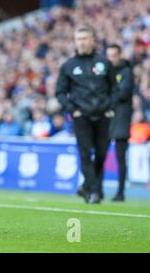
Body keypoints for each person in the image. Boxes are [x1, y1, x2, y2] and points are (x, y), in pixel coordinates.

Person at [55, 25, 116, 204]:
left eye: (84, 39)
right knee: (84, 154)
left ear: (92, 40)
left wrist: (109, 107)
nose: (81, 42)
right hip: (81, 117)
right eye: (78, 39)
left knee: (102, 154)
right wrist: (72, 110)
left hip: (103, 115)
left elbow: (114, 88)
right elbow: (60, 92)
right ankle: (95, 191)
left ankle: (88, 187)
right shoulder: (68, 66)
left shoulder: (104, 63)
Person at [106, 44, 134, 202]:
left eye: (114, 55)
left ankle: (121, 192)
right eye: (109, 55)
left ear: (120, 55)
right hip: (107, 118)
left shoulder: (126, 72)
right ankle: (95, 189)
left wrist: (106, 100)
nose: (111, 59)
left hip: (121, 119)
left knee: (120, 157)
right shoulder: (105, 73)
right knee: (101, 154)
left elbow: (122, 93)